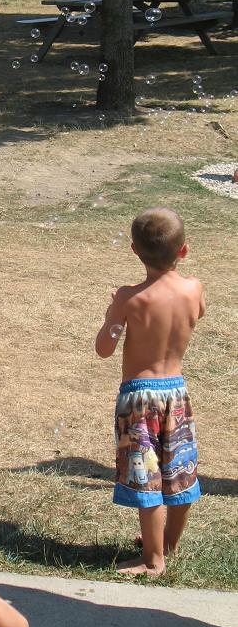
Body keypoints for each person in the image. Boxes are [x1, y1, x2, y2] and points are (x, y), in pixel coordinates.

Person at [95, 207, 204, 575]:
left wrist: (114, 314)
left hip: (139, 399)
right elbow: (197, 313)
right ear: (183, 251)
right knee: (179, 470)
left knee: (148, 477)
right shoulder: (193, 289)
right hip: (177, 394)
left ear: (134, 249)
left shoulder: (130, 297)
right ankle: (168, 544)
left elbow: (104, 348)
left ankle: (152, 560)